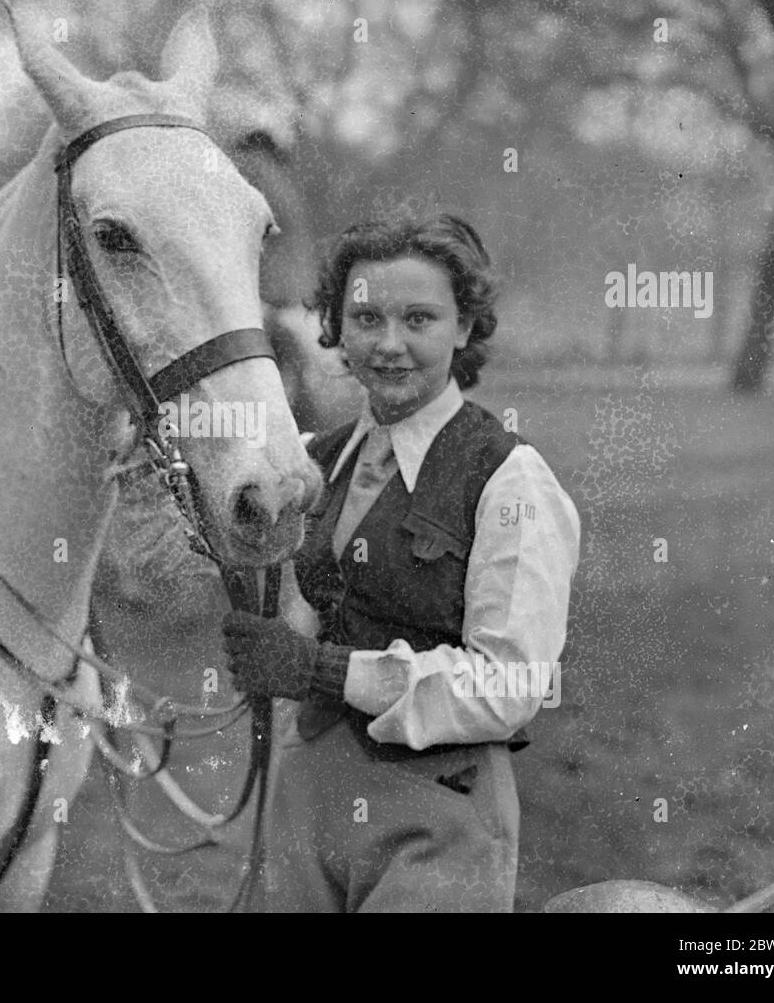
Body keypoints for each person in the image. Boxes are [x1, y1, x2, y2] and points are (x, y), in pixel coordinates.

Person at [222, 213, 581, 912]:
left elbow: (511, 685)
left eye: (419, 319)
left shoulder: (509, 479)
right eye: (366, 319)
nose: (389, 345)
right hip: (305, 801)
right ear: (336, 329)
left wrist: (319, 670)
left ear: (465, 328)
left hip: (438, 817)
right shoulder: (314, 461)